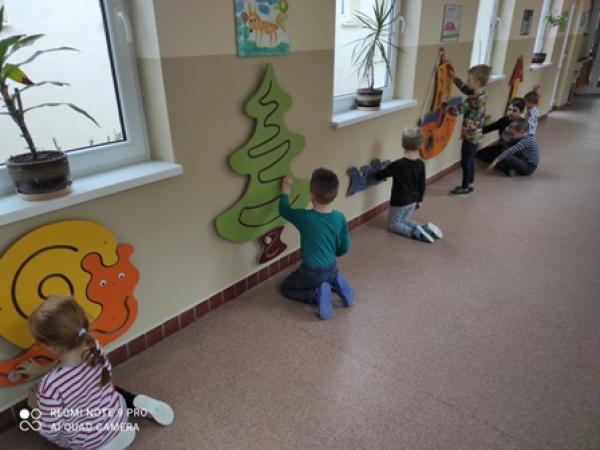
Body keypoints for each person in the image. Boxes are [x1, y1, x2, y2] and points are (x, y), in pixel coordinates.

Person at [16, 296, 174, 450]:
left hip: (88, 441)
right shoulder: (94, 348)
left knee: (51, 416)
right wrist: (42, 370)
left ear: (52, 347)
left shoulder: (49, 386)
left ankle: (102, 443)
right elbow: (66, 363)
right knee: (101, 389)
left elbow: (52, 430)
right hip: (118, 418)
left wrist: (35, 407)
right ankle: (131, 404)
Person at [279, 168, 353, 320]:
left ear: (311, 194)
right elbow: (345, 247)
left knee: (286, 288)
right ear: (336, 194)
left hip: (311, 272)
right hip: (332, 268)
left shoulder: (305, 217)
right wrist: (336, 252)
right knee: (325, 279)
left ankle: (315, 294)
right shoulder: (340, 217)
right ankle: (334, 285)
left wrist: (285, 190)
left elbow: (284, 210)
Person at [373, 126, 443, 243]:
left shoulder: (397, 165)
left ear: (403, 144)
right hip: (413, 201)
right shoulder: (421, 164)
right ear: (420, 145)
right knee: (403, 220)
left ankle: (415, 233)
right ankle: (424, 228)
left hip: (399, 202)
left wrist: (373, 175)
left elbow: (380, 175)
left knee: (393, 224)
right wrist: (420, 200)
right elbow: (422, 184)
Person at [447, 64, 491, 196]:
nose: (467, 81)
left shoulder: (473, 100)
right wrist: (455, 78)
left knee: (465, 161)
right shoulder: (482, 94)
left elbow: (456, 111)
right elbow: (467, 89)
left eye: (469, 79)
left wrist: (444, 104)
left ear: (477, 83)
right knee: (471, 159)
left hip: (470, 136)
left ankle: (465, 187)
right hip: (477, 135)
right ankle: (470, 183)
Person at [478, 97, 526, 163]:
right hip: (502, 147)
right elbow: (489, 128)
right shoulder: (504, 120)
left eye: (514, 111)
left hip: (513, 152)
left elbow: (522, 145)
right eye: (509, 110)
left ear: (522, 111)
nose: (510, 112)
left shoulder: (522, 124)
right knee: (480, 153)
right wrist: (476, 130)